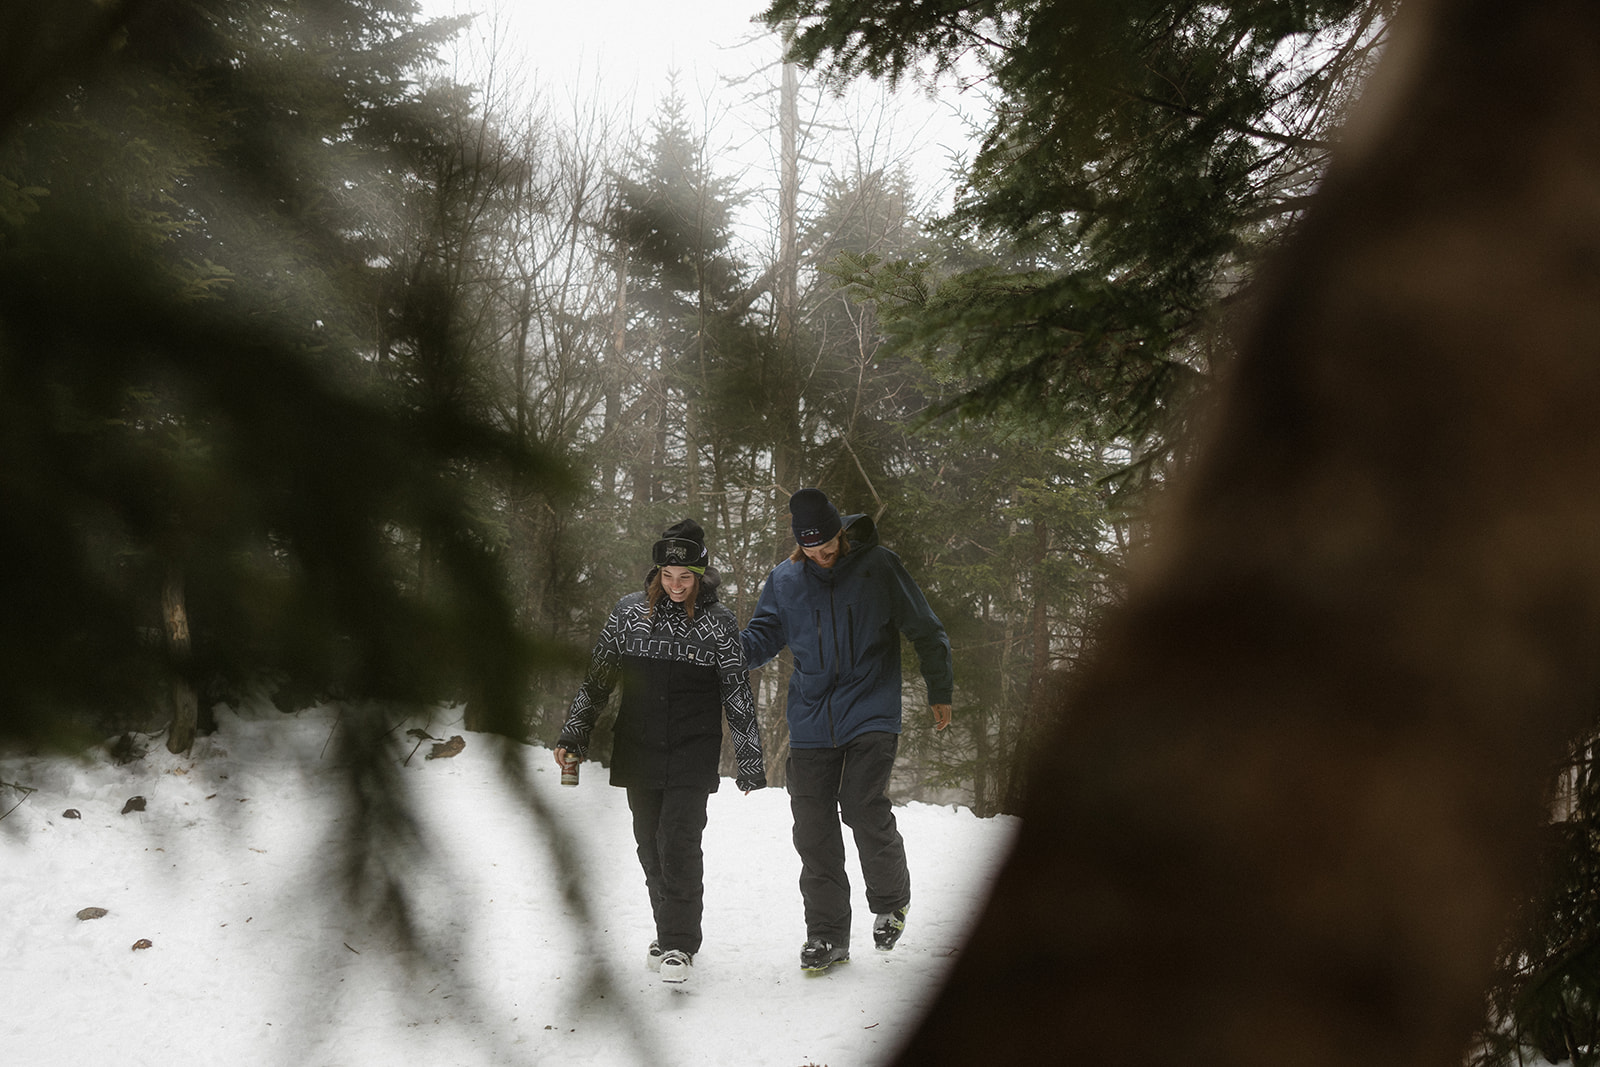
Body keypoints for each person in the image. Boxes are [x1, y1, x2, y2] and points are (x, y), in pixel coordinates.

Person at [742, 488, 954, 973]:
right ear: (800, 545)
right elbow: (762, 637)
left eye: (829, 545)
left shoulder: (878, 566)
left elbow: (925, 628)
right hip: (812, 718)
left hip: (871, 709)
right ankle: (827, 936)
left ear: (840, 529)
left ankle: (891, 901)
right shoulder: (784, 580)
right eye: (813, 550)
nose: (823, 555)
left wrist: (940, 690)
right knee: (813, 828)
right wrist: (727, 651)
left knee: (861, 803)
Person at [555, 519, 766, 986]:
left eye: (685, 578)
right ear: (656, 574)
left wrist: (750, 761)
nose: (675, 586)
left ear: (700, 576)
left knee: (679, 839)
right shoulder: (628, 615)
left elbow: (736, 692)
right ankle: (667, 931)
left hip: (693, 747)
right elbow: (598, 680)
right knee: (649, 843)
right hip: (640, 743)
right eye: (668, 577)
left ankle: (677, 944)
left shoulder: (718, 622)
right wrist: (573, 735)